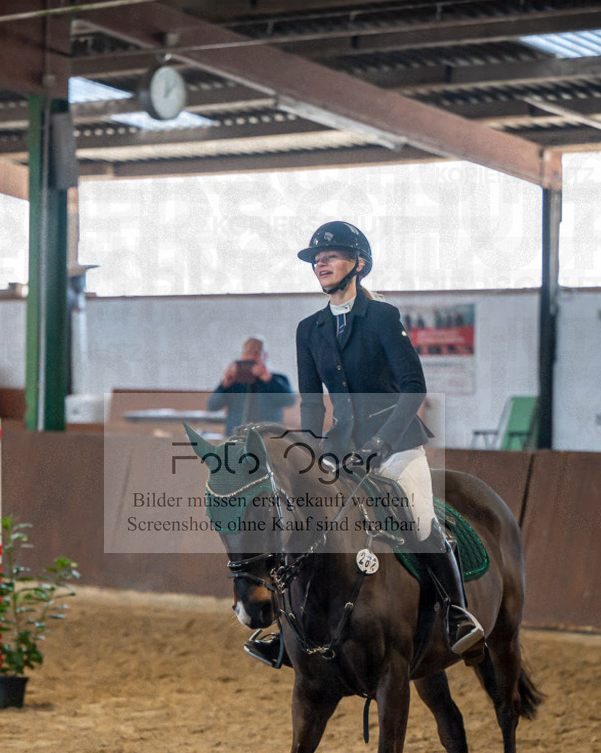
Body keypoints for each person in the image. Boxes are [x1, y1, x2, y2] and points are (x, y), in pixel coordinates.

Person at [294, 220, 484, 658]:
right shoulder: (309, 329)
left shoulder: (381, 317)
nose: (320, 262)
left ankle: (456, 615)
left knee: (419, 521)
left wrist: (379, 446)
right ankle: (286, 629)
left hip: (394, 446)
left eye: (332, 255)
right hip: (338, 451)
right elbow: (310, 401)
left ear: (358, 264)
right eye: (316, 258)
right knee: (300, 524)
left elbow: (412, 387)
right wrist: (307, 449)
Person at [206, 337, 296, 435]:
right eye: (247, 353)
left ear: (264, 356)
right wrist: (224, 385)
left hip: (268, 437)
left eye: (256, 353)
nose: (251, 357)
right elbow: (212, 406)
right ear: (242, 355)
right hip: (237, 437)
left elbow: (290, 401)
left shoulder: (278, 379)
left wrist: (269, 380)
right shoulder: (233, 381)